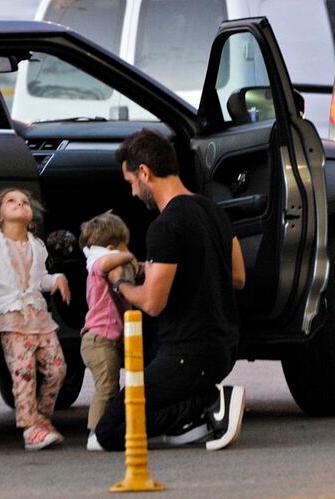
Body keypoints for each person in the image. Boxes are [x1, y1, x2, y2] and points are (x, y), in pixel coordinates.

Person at [91, 129, 247, 452]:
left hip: (187, 356)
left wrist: (120, 283)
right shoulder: (214, 211)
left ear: (145, 173)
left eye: (132, 182)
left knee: (109, 431)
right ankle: (198, 415)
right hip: (223, 350)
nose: (133, 192)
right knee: (150, 399)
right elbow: (238, 277)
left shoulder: (164, 227)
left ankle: (208, 404)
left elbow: (152, 303)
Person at [0, 187, 71, 451]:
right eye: (11, 201)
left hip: (39, 318)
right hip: (11, 320)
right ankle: (29, 427)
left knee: (58, 369)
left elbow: (41, 278)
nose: (20, 204)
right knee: (23, 373)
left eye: (25, 202)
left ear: (31, 217)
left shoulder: (37, 245)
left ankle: (41, 418)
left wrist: (57, 279)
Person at [78, 211, 139, 443]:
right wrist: (126, 256)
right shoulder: (96, 262)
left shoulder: (110, 262)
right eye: (125, 246)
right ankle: (95, 433)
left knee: (114, 387)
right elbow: (105, 263)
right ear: (113, 247)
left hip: (107, 340)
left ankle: (109, 429)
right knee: (106, 389)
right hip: (98, 340)